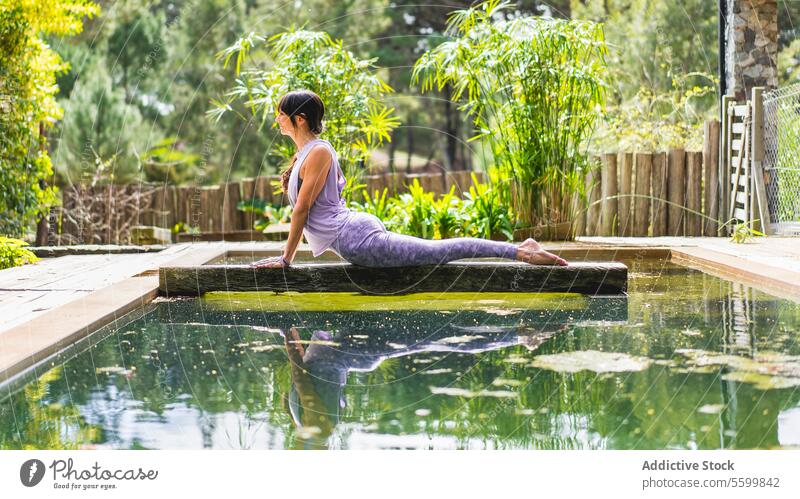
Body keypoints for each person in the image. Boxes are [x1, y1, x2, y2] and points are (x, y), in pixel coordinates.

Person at [250, 89, 569, 269]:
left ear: (299, 118)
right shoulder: (304, 154)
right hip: (351, 236)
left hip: (357, 239)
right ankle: (520, 251)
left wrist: (285, 260)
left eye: (281, 112)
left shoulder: (319, 152)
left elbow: (302, 210)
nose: (277, 118)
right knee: (433, 252)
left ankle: (521, 252)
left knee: (436, 252)